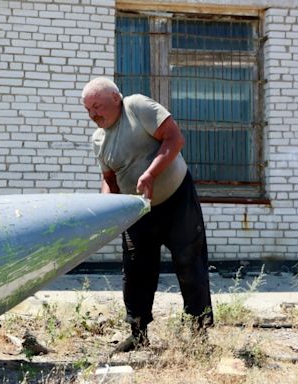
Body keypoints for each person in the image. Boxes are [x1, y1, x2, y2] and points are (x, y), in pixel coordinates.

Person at [81, 77, 213, 353]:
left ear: (115, 98)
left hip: (177, 201)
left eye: (96, 106)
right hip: (138, 211)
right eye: (88, 110)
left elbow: (175, 138)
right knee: (136, 271)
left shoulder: (137, 107)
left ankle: (198, 335)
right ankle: (138, 333)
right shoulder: (98, 140)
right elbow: (110, 179)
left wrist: (151, 173)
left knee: (190, 264)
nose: (93, 115)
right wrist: (107, 204)